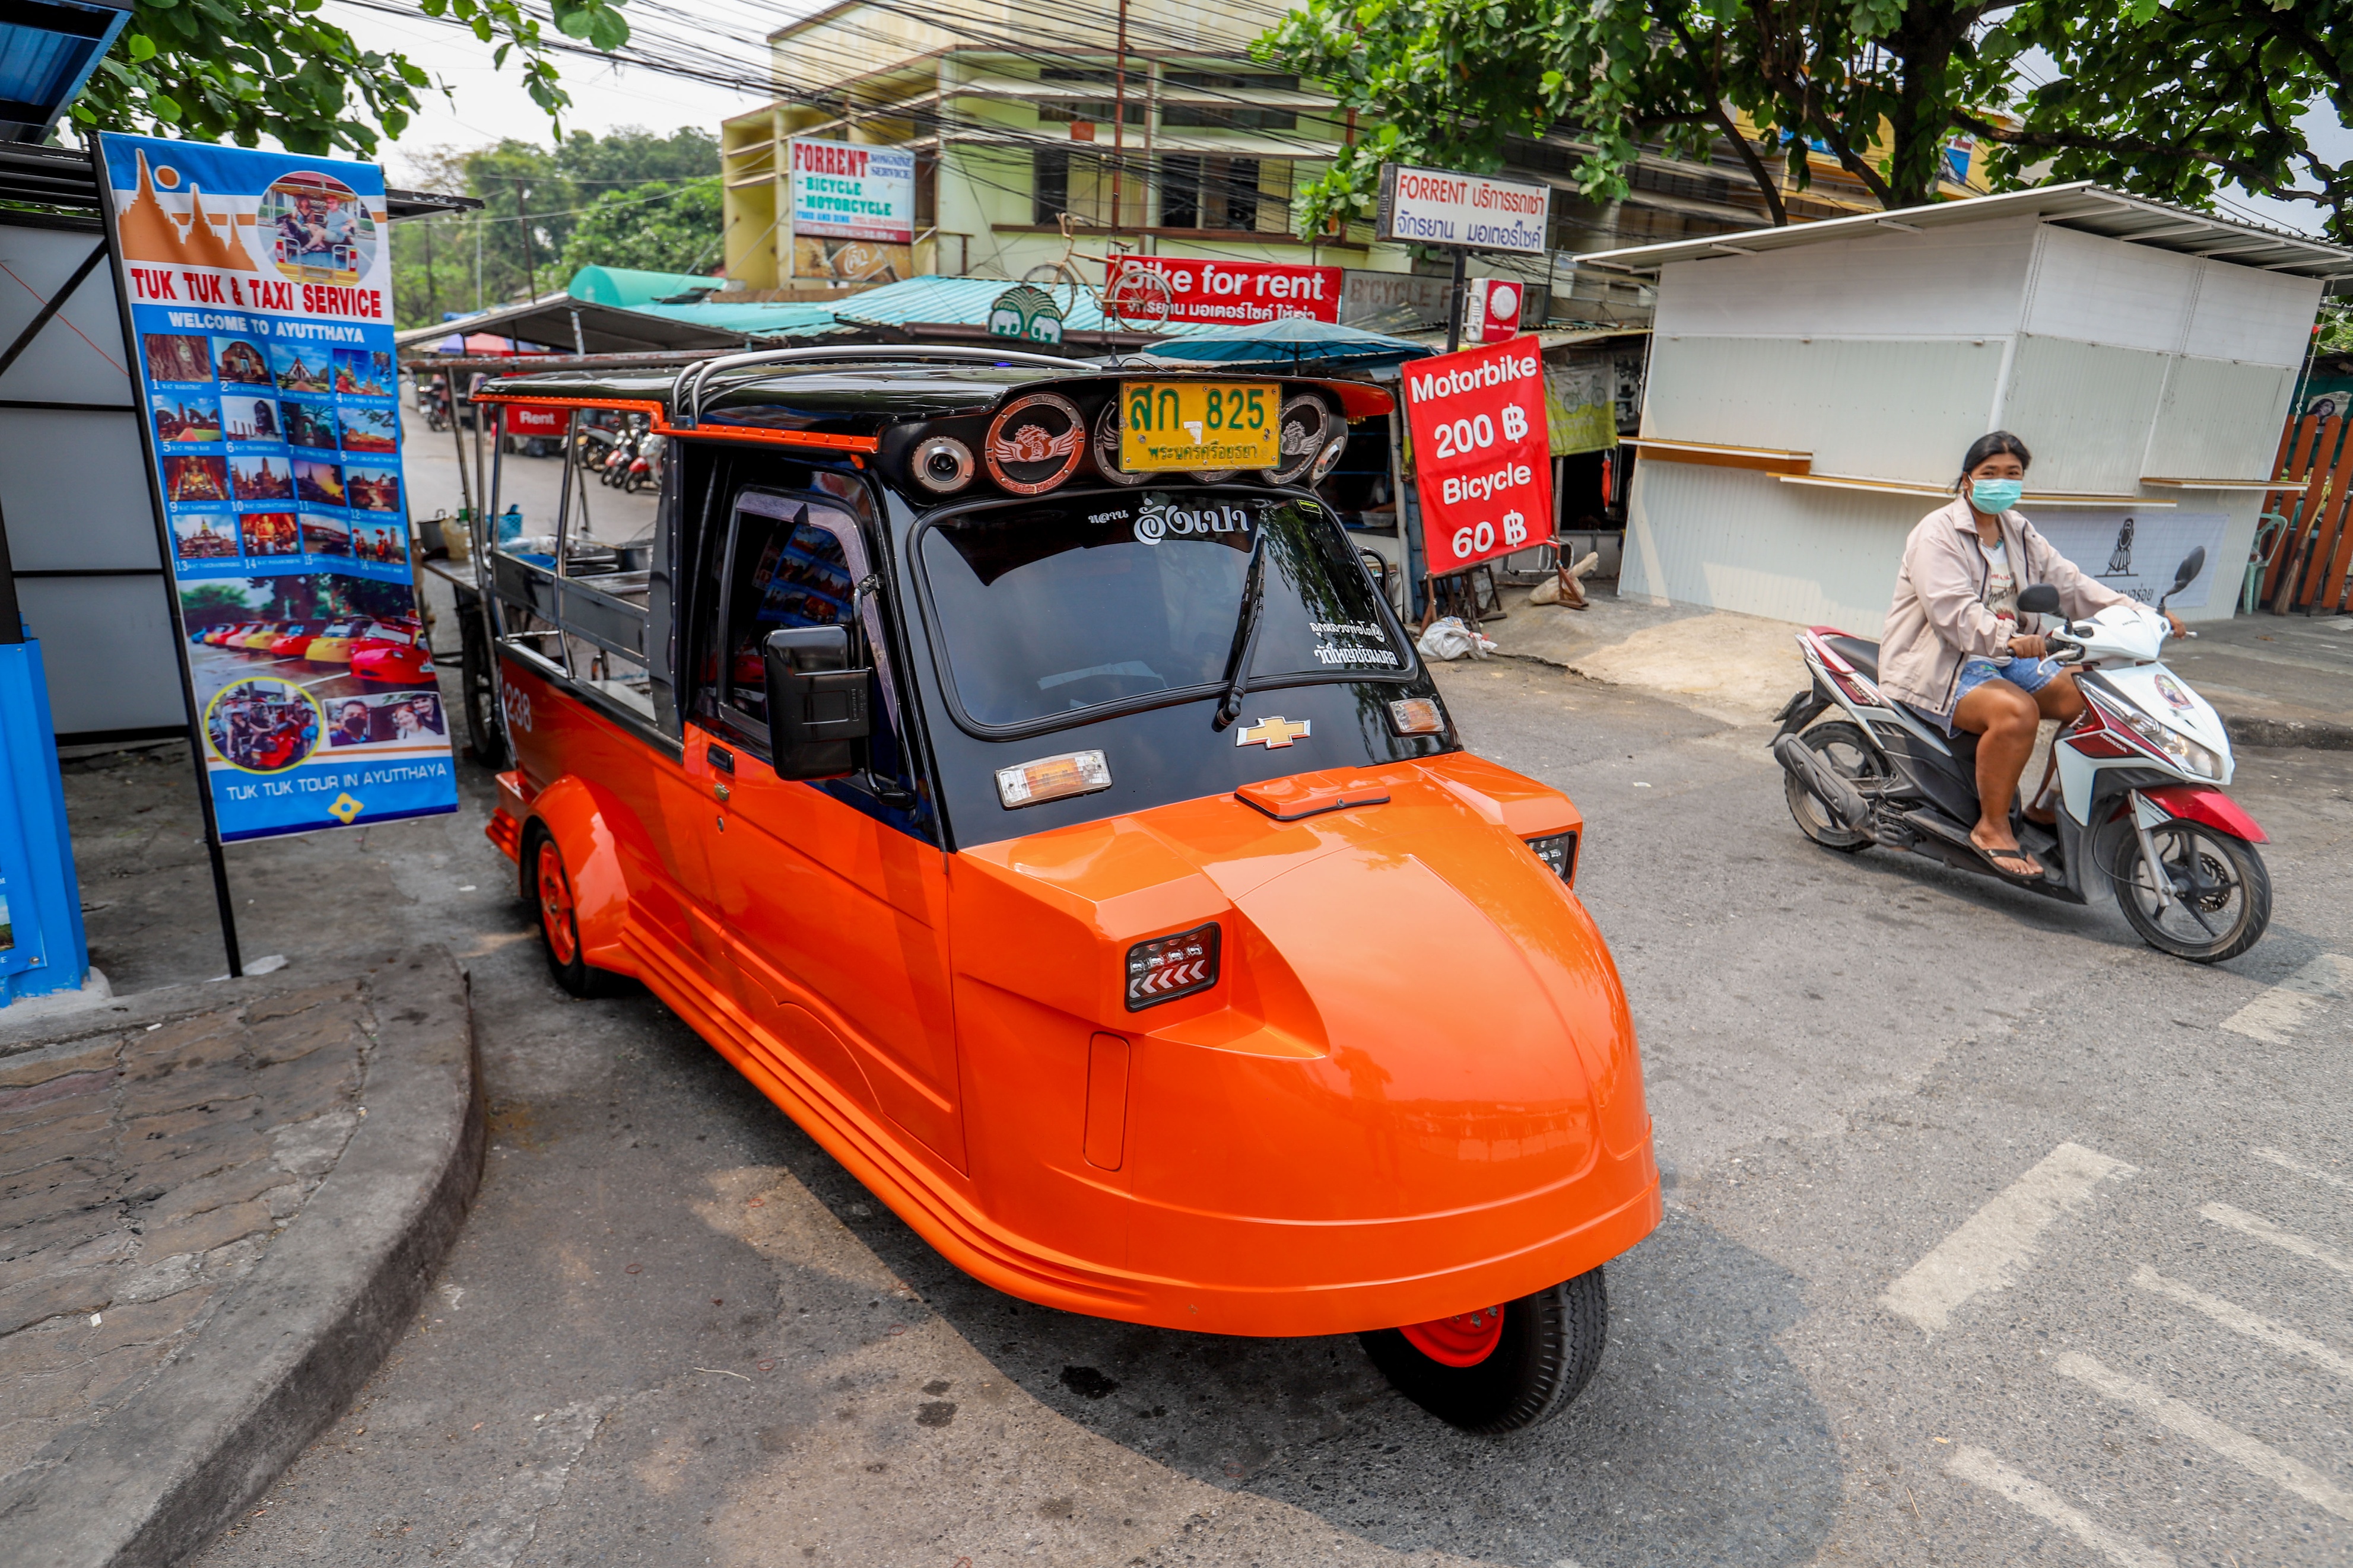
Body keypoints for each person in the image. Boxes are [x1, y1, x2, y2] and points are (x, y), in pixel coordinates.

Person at [1878, 431, 2183, 880]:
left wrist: (2142, 613)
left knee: (2090, 700)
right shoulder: (1936, 532)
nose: (2000, 482)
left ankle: (2044, 807)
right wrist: (2008, 639)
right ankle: (1991, 827)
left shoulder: (2017, 530)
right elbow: (1952, 613)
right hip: (1940, 661)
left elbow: (2071, 585)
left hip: (2001, 657)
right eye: (1989, 474)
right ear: (1967, 480)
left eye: (2012, 474)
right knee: (2016, 713)